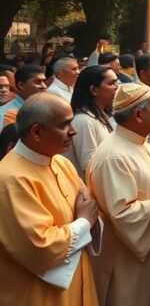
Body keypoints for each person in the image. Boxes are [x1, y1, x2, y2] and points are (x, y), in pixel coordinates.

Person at [0, 93, 102, 306]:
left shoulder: (61, 163)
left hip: (78, 281)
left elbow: (90, 209)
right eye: (65, 125)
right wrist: (83, 223)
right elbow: (39, 246)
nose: (73, 131)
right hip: (38, 294)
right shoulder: (10, 179)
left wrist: (88, 219)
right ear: (37, 131)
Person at [86, 82, 150, 305]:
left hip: (148, 250)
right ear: (139, 115)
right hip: (126, 258)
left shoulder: (141, 142)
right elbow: (123, 214)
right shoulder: (114, 156)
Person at [64, 65, 118, 177]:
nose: (117, 87)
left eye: (116, 83)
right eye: (111, 84)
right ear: (94, 90)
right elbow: (89, 168)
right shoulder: (83, 121)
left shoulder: (105, 115)